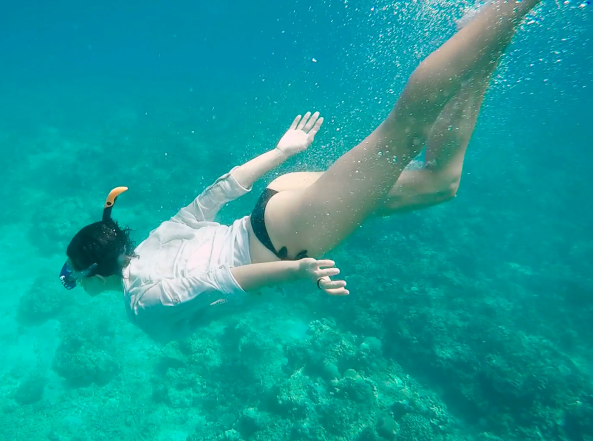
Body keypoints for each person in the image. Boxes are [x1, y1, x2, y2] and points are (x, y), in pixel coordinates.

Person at [60, 0, 544, 342]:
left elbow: (218, 283)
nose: (75, 283)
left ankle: (507, 9)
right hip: (277, 202)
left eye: (72, 277)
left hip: (287, 236)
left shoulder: (141, 307)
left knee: (401, 133)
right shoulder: (147, 247)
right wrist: (281, 153)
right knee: (440, 183)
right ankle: (490, 37)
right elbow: (211, 198)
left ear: (91, 275)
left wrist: (296, 270)